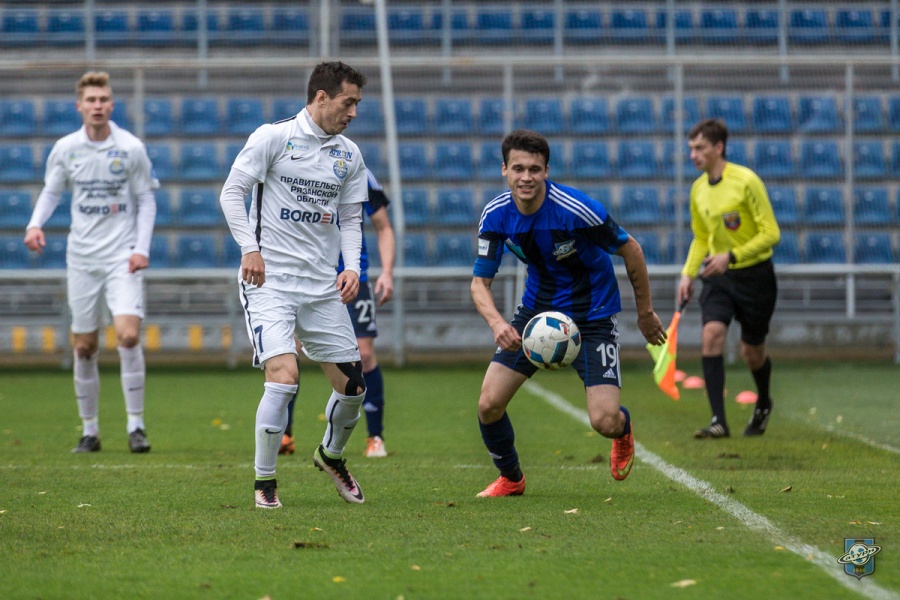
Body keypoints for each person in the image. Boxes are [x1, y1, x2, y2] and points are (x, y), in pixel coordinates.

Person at [471, 129, 666, 497]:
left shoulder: (577, 210)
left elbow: (632, 250)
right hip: (536, 315)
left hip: (593, 316)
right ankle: (511, 478)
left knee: (605, 421)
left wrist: (645, 313)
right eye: (518, 169)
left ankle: (623, 429)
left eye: (534, 169)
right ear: (504, 170)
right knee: (489, 404)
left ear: (546, 171)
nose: (526, 177)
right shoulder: (495, 215)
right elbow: (479, 283)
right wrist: (497, 323)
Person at [219, 61, 370, 509]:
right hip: (269, 281)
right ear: (321, 97)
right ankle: (264, 481)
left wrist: (352, 267)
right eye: (348, 102)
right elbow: (231, 192)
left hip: (322, 287)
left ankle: (331, 455)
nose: (354, 113)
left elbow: (351, 218)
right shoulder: (273, 137)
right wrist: (250, 249)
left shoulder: (350, 155)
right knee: (284, 377)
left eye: (357, 104)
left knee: (353, 389)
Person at [23, 71, 158, 454]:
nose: (97, 105)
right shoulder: (66, 148)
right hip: (82, 258)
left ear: (111, 105)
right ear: (79, 106)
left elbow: (146, 199)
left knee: (128, 336)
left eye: (103, 99)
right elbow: (52, 191)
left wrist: (141, 248)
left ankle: (136, 426)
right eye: (91, 100)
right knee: (84, 346)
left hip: (122, 257)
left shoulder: (130, 147)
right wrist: (35, 224)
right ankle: (90, 431)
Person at [280, 168, 395, 459]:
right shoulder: (300, 165)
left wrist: (387, 272)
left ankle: (375, 436)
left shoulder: (359, 172)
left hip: (354, 278)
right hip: (309, 275)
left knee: (364, 354)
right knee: (289, 350)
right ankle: (284, 433)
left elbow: (383, 226)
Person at [677, 118, 781, 440]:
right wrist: (687, 274)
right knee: (711, 335)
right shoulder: (697, 189)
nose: (693, 155)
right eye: (691, 148)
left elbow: (771, 233)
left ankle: (763, 402)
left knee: (752, 351)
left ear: (719, 147)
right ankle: (718, 421)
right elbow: (701, 237)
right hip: (717, 277)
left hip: (755, 277)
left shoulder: (746, 180)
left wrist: (732, 256)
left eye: (700, 148)